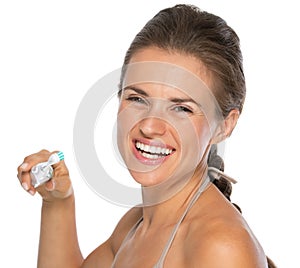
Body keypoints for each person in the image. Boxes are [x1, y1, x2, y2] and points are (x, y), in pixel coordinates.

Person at [17, 4, 276, 268]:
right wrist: (58, 202)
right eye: (137, 98)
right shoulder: (136, 224)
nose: (150, 126)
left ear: (225, 125)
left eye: (182, 108)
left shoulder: (221, 248)